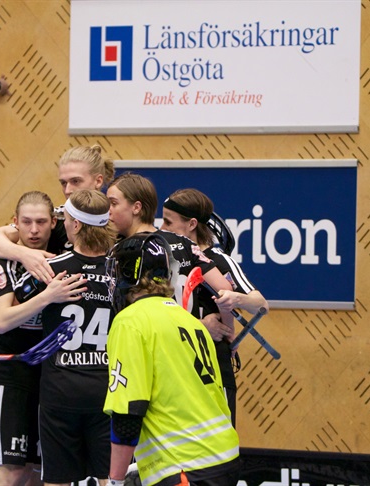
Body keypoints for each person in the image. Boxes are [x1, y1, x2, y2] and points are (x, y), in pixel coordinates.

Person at [103, 232, 240, 486]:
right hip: (224, 458)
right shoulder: (189, 320)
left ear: (130, 274)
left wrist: (115, 481)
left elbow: (128, 414)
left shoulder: (130, 322)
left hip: (186, 465)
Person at [0, 191, 85, 486]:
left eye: (41, 222)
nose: (34, 230)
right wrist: (48, 297)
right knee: (12, 470)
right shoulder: (5, 260)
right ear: (15, 222)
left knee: (38, 471)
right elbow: (1, 322)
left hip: (51, 373)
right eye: (26, 222)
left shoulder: (65, 255)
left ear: (54, 222)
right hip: (10, 372)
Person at [12, 190, 116, 486]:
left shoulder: (51, 268)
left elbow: (10, 311)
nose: (63, 224)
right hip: (108, 391)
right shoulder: (119, 271)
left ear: (77, 225)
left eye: (66, 219)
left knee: (57, 481)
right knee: (111, 479)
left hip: (60, 393)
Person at [160, 188, 269, 425]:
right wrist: (199, 325)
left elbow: (260, 304)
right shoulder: (161, 259)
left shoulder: (217, 260)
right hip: (172, 362)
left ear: (191, 224)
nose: (162, 228)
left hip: (213, 365)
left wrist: (236, 299)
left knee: (220, 438)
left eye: (168, 222)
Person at [105, 173, 235, 341]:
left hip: (154, 343)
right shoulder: (185, 242)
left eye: (113, 203)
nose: (108, 211)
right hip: (189, 344)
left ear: (136, 208)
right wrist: (228, 332)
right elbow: (224, 289)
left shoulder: (124, 251)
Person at [0, 145, 115, 282]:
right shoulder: (58, 218)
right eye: (63, 183)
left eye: (76, 181)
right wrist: (24, 254)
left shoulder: (115, 220)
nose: (68, 190)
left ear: (98, 181)